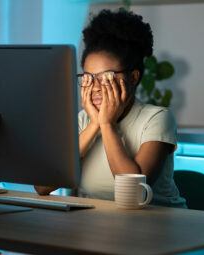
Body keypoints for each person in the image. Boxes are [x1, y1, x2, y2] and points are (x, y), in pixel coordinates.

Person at [35, 9, 186, 208]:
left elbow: (134, 194)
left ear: (133, 77)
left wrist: (106, 124)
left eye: (106, 77)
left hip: (155, 227)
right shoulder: (84, 120)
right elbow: (42, 186)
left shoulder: (157, 118)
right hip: (97, 226)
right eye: (88, 78)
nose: (95, 87)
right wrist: (94, 125)